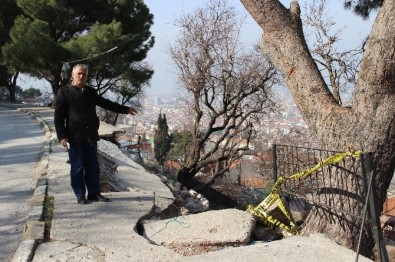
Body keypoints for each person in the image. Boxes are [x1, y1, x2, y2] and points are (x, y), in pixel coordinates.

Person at [54, 64, 137, 204]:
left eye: (84, 74)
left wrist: (126, 109)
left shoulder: (90, 92)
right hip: (75, 137)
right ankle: (80, 195)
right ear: (72, 75)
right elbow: (58, 117)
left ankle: (94, 193)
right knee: (77, 167)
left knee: (93, 167)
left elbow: (106, 103)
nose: (81, 76)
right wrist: (62, 136)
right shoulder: (64, 92)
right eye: (79, 73)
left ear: (87, 76)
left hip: (91, 136)